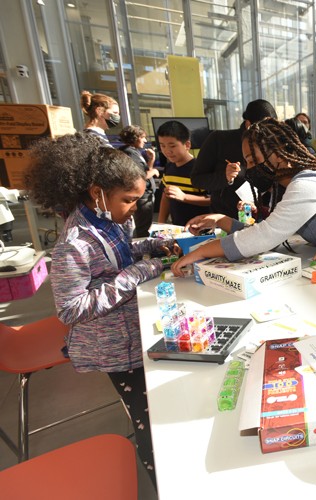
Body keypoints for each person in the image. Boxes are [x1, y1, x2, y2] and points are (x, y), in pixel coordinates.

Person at [24, 132, 179, 488]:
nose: (134, 209)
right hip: (113, 348)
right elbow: (71, 309)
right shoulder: (72, 245)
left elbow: (122, 250)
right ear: (97, 193)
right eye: (128, 200)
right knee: (148, 419)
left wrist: (152, 245)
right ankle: (164, 484)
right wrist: (139, 272)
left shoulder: (110, 219)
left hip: (132, 331)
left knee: (158, 404)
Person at [170, 119, 316, 276]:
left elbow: (266, 236)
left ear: (279, 153)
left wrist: (201, 251)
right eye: (248, 162)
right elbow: (272, 231)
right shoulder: (283, 187)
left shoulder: (308, 183)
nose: (250, 168)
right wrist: (222, 220)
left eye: (254, 160)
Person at [191, 99, 277, 218]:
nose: (267, 133)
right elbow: (197, 179)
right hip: (224, 216)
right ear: (248, 124)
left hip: (261, 215)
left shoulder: (272, 143)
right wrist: (225, 177)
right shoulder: (219, 140)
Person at [156, 120, 210, 226]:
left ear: (187, 145)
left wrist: (184, 197)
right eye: (162, 146)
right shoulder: (169, 167)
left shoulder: (201, 168)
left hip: (201, 228)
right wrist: (160, 224)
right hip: (178, 228)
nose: (167, 151)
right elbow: (165, 197)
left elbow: (213, 199)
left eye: (172, 146)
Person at [119, 125, 159, 237]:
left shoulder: (133, 152)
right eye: (143, 137)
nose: (145, 140)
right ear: (136, 137)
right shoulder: (130, 153)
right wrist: (154, 171)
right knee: (144, 227)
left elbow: (145, 171)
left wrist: (151, 160)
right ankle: (144, 251)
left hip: (144, 195)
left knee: (144, 225)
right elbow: (138, 176)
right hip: (143, 197)